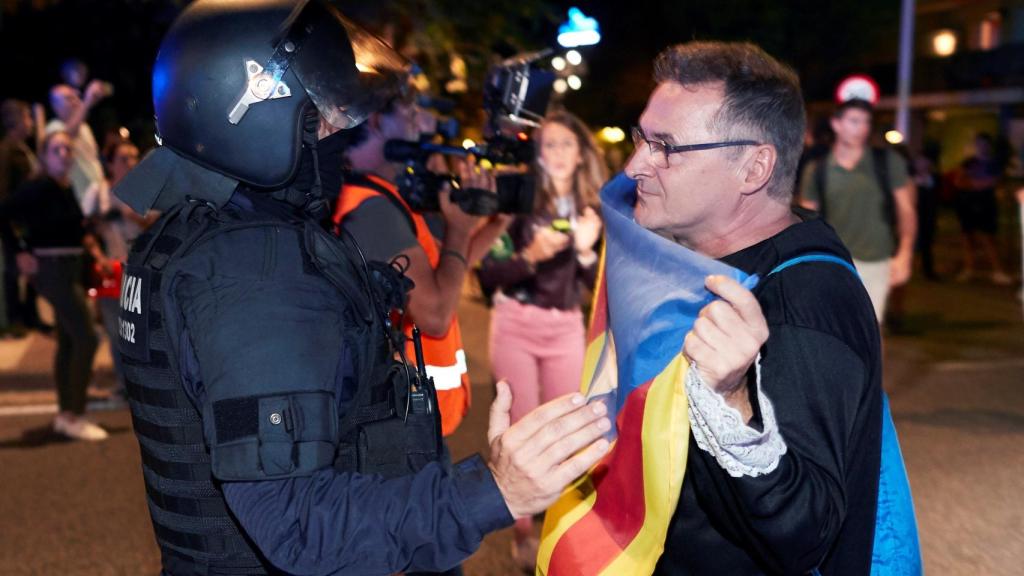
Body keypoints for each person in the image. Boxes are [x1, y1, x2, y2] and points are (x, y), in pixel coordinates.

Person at [113, 1, 609, 574]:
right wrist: (495, 489)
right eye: (321, 118)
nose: (340, 134)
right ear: (254, 113)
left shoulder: (190, 236)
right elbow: (298, 522)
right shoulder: (253, 270)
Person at [622, 41, 885, 574]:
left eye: (665, 146)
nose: (634, 166)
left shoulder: (804, 303)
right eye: (641, 139)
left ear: (753, 167)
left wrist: (733, 402)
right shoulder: (710, 262)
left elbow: (808, 534)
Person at [333, 89, 511, 436]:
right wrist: (459, 229)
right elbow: (435, 316)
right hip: (401, 420)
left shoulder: (377, 196)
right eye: (411, 113)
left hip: (411, 415)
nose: (421, 123)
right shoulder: (371, 210)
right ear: (376, 121)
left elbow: (446, 272)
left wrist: (495, 225)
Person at [476, 110, 605, 570]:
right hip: (516, 322)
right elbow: (487, 276)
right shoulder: (520, 202)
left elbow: (593, 286)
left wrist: (586, 251)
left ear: (581, 153)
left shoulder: (591, 209)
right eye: (549, 144)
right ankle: (524, 532)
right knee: (523, 428)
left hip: (565, 326)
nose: (558, 153)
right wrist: (530, 255)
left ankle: (562, 527)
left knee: (569, 428)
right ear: (538, 154)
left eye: (566, 144)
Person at [1, 130, 107, 441]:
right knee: (87, 338)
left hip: (71, 267)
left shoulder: (64, 186)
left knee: (70, 340)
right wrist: (20, 250)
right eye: (57, 149)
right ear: (45, 156)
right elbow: (3, 214)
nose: (64, 154)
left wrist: (91, 243)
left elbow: (72, 229)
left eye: (68, 149)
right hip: (53, 268)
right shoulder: (38, 186)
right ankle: (75, 414)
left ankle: (65, 415)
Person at [799, 99, 916, 323]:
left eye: (866, 122)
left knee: (867, 329)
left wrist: (905, 253)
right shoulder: (818, 170)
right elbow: (806, 220)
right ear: (836, 124)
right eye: (854, 121)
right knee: (833, 328)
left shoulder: (887, 162)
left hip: (876, 260)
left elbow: (906, 210)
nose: (861, 128)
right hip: (833, 261)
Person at [0, 99, 45, 335]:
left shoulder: (22, 148)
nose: (31, 123)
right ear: (15, 120)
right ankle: (15, 318)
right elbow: (4, 192)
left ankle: (30, 315)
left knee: (30, 269)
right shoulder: (7, 150)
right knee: (13, 269)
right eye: (27, 117)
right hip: (14, 221)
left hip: (26, 219)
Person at [953, 133, 1012, 285]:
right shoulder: (969, 162)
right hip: (968, 203)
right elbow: (958, 181)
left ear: (989, 146)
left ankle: (997, 271)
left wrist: (978, 183)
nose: (981, 147)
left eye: (984, 144)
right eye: (978, 143)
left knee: (989, 238)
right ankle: (969, 269)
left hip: (987, 204)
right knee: (968, 237)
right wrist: (978, 184)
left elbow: (998, 183)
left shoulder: (995, 163)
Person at [46, 80, 113, 209]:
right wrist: (87, 101)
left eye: (75, 96)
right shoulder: (53, 128)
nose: (75, 101)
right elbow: (66, 136)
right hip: (79, 198)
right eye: (68, 98)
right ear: (55, 106)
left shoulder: (84, 127)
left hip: (98, 193)